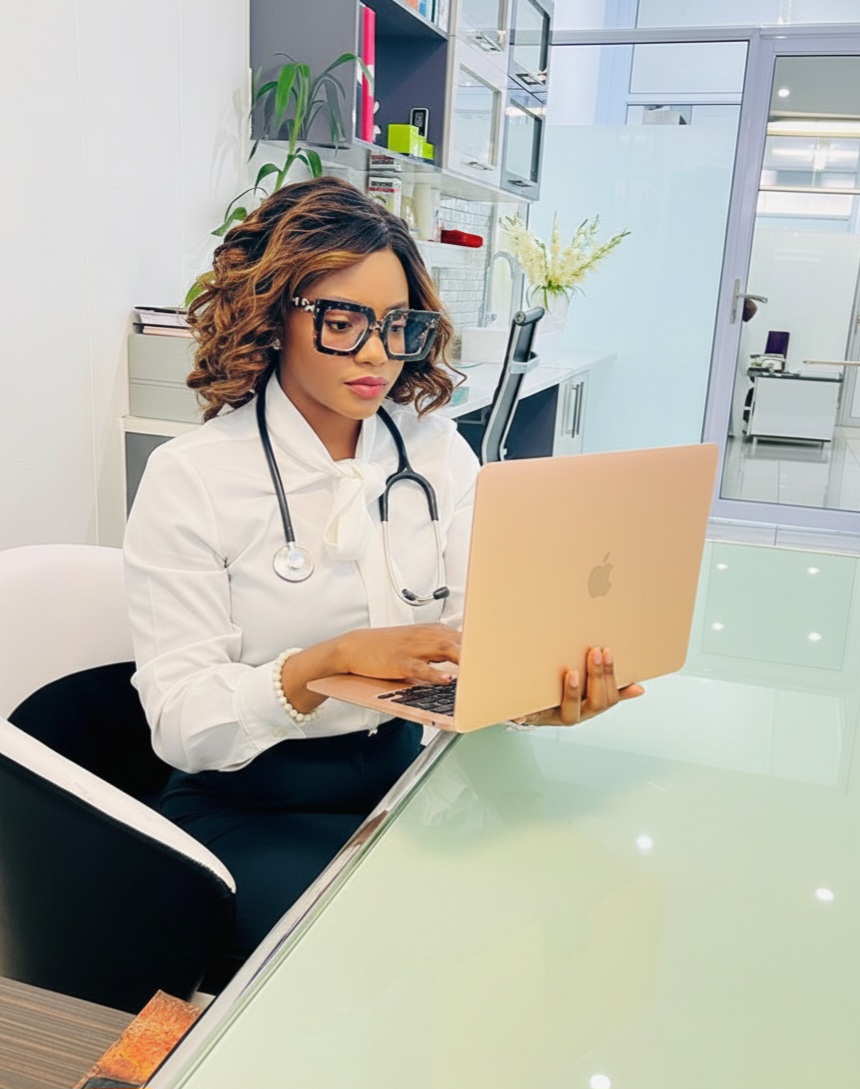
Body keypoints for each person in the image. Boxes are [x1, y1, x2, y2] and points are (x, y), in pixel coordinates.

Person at [124, 175, 643, 977]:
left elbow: (480, 631)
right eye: (342, 321)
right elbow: (182, 722)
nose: (375, 353)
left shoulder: (432, 451)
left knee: (560, 902)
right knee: (395, 952)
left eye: (395, 325)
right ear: (275, 316)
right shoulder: (191, 477)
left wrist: (531, 697)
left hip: (411, 776)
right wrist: (320, 665)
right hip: (252, 803)